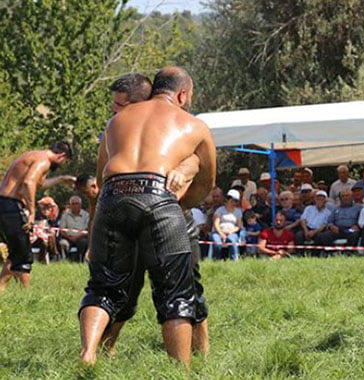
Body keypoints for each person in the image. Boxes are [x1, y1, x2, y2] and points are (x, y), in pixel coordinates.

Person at [78, 67, 217, 366]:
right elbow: (207, 183)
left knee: (103, 286)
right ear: (182, 94)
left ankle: (88, 354)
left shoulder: (116, 121)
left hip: (113, 196)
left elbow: (103, 173)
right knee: (176, 294)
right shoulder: (193, 124)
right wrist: (178, 206)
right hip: (159, 196)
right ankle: (179, 372)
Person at [0, 142, 73, 290]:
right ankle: (25, 293)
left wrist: (61, 179)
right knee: (24, 254)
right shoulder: (43, 160)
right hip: (10, 205)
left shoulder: (34, 156)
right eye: (64, 162)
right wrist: (32, 212)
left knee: (17, 251)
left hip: (5, 204)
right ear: (62, 155)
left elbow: (39, 183)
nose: (62, 165)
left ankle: (6, 290)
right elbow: (29, 183)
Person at [211, 189, 243, 261]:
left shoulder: (238, 212)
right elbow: (216, 224)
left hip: (231, 232)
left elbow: (238, 226)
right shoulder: (219, 210)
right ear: (228, 199)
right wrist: (221, 234)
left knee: (232, 240)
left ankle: (234, 260)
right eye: (232, 200)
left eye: (236, 201)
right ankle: (216, 260)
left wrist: (231, 231)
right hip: (218, 232)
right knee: (217, 243)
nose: (234, 203)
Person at [58, 195, 89, 262]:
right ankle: (65, 261)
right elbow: (61, 230)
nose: (75, 206)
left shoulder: (86, 215)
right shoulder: (65, 215)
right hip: (68, 238)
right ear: (70, 205)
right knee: (62, 243)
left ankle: (80, 260)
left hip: (81, 237)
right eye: (73, 204)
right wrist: (69, 237)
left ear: (80, 205)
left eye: (76, 204)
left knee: (84, 242)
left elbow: (87, 230)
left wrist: (78, 237)